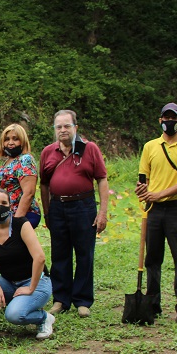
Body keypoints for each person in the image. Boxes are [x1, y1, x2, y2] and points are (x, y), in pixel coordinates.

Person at [39, 110, 108, 318]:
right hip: (58, 207)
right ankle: (61, 299)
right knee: (60, 254)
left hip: (83, 206)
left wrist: (103, 212)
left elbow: (102, 179)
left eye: (67, 126)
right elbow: (43, 185)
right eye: (59, 127)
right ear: (54, 130)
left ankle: (82, 300)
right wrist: (47, 212)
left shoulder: (90, 149)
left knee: (85, 253)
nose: (63, 130)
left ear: (75, 128)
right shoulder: (48, 152)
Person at [135, 102, 177, 322]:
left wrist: (159, 194)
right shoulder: (150, 146)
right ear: (160, 120)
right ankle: (152, 304)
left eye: (174, 118)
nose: (169, 122)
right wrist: (142, 189)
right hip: (154, 210)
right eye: (166, 118)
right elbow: (143, 176)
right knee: (152, 259)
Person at [0, 189, 55, 340]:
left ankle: (44, 318)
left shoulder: (21, 224)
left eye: (4, 203)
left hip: (37, 282)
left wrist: (31, 287)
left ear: (10, 207)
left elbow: (40, 258)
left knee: (14, 315)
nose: (0, 206)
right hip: (10, 283)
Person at [0, 123, 41, 228]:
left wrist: (17, 221)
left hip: (23, 214)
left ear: (22, 141)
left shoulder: (25, 160)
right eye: (6, 139)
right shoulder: (7, 162)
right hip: (5, 214)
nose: (10, 143)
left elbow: (29, 193)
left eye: (15, 139)